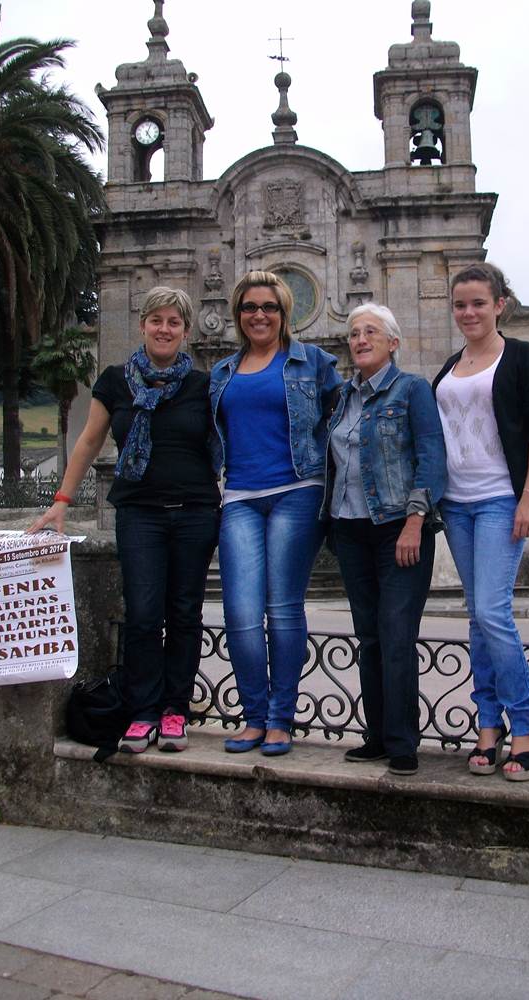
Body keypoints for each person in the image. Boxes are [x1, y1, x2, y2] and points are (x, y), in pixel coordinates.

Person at [29, 287, 220, 754]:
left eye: (174, 322)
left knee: (184, 613)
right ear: (142, 325)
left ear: (186, 331)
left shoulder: (205, 385)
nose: (164, 329)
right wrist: (61, 500)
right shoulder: (115, 381)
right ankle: (143, 711)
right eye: (156, 320)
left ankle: (175, 710)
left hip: (195, 513)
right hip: (139, 515)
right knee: (142, 614)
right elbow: (89, 441)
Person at [210, 270, 341, 756]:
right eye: (250, 307)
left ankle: (280, 720)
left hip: (298, 490)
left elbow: (347, 418)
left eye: (269, 306)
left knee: (282, 606)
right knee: (241, 611)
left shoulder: (313, 362)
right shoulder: (222, 372)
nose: (259, 315)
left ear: (285, 312)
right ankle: (253, 717)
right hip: (240, 496)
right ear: (238, 315)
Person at [433, 262, 529, 781]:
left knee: (492, 610)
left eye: (479, 303)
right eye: (460, 304)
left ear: (500, 304)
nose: (469, 312)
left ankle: (524, 727)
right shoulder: (449, 366)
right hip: (456, 504)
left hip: (502, 498)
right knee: (477, 615)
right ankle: (488, 724)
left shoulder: (522, 357)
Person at [323, 304, 446, 776]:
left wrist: (416, 519)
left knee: (396, 635)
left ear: (393, 343)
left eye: (370, 332)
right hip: (350, 529)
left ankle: (402, 742)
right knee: (370, 637)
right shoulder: (340, 398)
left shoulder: (412, 390)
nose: (360, 339)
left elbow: (432, 457)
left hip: (399, 528)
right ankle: (376, 736)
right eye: (354, 333)